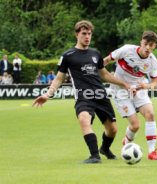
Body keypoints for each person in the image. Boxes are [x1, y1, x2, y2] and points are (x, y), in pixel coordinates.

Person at [33, 20, 131, 164]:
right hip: (83, 97)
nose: (87, 37)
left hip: (100, 95)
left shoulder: (95, 53)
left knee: (113, 130)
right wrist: (48, 94)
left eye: (89, 34)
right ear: (76, 34)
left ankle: (104, 148)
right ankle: (94, 156)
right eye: (84, 34)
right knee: (84, 120)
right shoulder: (68, 55)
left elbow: (104, 75)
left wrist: (124, 84)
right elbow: (59, 78)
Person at [103, 31, 157, 160]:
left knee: (150, 114)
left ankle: (152, 152)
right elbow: (106, 61)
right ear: (141, 41)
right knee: (135, 125)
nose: (147, 48)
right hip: (120, 90)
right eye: (146, 44)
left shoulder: (153, 61)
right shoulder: (126, 50)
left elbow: (155, 83)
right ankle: (127, 142)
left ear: (154, 46)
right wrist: (96, 71)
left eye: (151, 45)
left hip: (139, 89)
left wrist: (144, 86)